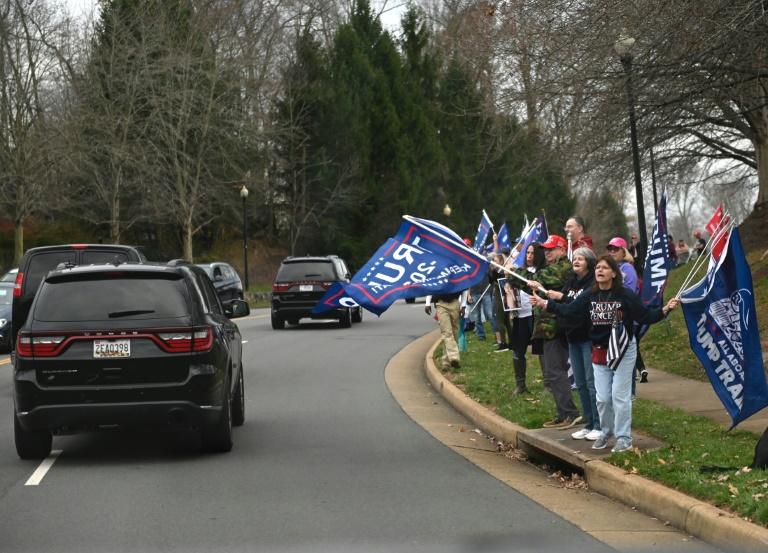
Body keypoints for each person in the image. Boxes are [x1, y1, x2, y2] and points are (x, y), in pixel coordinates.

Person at [532, 254, 680, 452]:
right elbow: (570, 311)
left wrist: (665, 309)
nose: (600, 270)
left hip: (623, 349)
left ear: (613, 273)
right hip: (600, 351)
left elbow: (644, 316)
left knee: (620, 396)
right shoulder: (590, 294)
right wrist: (546, 304)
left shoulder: (625, 295)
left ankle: (624, 438)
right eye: (598, 267)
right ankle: (606, 431)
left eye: (605, 268)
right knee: (602, 398)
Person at [539, 247, 600, 440]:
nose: (576, 261)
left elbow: (576, 306)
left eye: (581, 258)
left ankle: (598, 425)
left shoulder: (593, 283)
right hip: (573, 337)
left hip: (588, 338)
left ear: (589, 262)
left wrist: (559, 299)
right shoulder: (572, 281)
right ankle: (588, 424)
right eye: (575, 258)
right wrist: (545, 301)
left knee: (591, 384)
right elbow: (563, 305)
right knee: (580, 384)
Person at [524, 235, 582, 429]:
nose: (547, 252)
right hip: (549, 327)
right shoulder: (551, 269)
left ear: (562, 250)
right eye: (545, 249)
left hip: (557, 327)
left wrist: (512, 274)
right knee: (553, 370)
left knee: (556, 370)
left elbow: (536, 280)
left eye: (551, 249)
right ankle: (562, 412)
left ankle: (570, 413)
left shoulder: (563, 267)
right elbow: (533, 285)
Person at [606, 237, 648, 387]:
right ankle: (630, 381)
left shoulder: (627, 268)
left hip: (629, 317)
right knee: (622, 351)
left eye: (615, 249)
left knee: (627, 351)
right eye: (610, 249)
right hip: (616, 317)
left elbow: (629, 292)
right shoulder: (612, 268)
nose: (612, 252)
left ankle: (630, 391)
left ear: (624, 251)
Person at [507, 242, 547, 395]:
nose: (529, 256)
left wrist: (515, 273)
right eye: (527, 253)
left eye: (533, 253)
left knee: (541, 350)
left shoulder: (542, 271)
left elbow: (532, 282)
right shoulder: (521, 270)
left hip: (535, 315)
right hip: (520, 314)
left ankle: (548, 385)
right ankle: (521, 385)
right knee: (518, 350)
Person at [425, 289, 468, 370]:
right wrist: (427, 303)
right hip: (441, 304)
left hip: (455, 303)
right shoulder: (438, 276)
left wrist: (463, 306)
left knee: (454, 333)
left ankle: (446, 362)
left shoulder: (457, 276)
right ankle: (454, 357)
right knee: (447, 332)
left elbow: (464, 289)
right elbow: (431, 286)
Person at [490, 251, 513, 352]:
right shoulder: (499, 272)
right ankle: (512, 342)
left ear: (501, 261)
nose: (494, 263)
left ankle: (503, 343)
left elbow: (501, 285)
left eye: (495, 261)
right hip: (503, 298)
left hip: (501, 299)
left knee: (500, 321)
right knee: (506, 321)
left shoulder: (502, 272)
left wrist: (493, 276)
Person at [467, 267, 498, 342]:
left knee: (490, 314)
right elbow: (468, 282)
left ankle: (497, 335)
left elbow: (492, 272)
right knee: (477, 317)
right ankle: (481, 336)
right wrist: (469, 295)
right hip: (474, 293)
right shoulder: (470, 268)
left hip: (486, 293)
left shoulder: (484, 265)